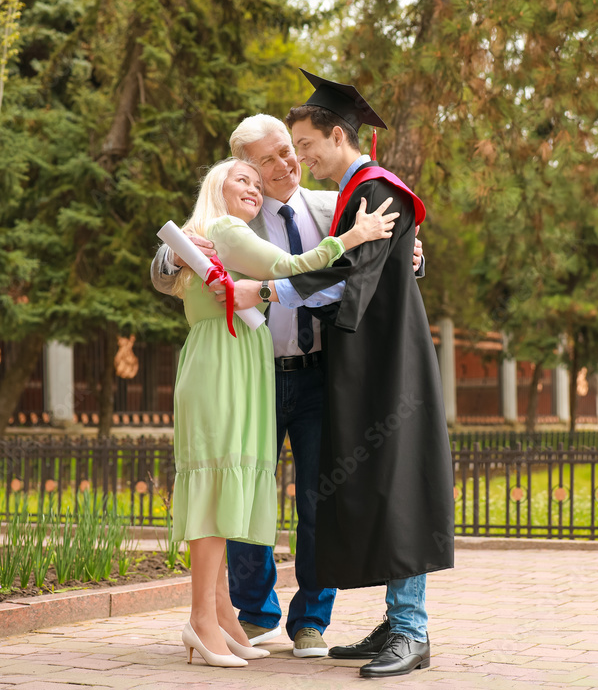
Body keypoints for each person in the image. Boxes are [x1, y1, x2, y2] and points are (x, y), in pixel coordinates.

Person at [151, 114, 424, 659]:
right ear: (243, 169)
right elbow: (165, 271)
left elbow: (385, 250)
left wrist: (415, 256)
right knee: (246, 493)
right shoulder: (232, 212)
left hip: (319, 374)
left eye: (287, 151)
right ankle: (251, 615)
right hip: (252, 377)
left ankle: (310, 622)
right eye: (266, 160)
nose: (284, 164)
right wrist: (175, 252)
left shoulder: (331, 206)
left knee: (319, 503)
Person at [219, 72, 454, 679]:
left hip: (385, 368)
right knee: (378, 490)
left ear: (335, 133)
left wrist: (267, 290)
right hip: (355, 368)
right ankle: (395, 619)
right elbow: (359, 266)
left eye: (303, 143)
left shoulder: (373, 192)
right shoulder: (352, 196)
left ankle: (411, 628)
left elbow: (353, 280)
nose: (298, 158)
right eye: (282, 150)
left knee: (397, 490)